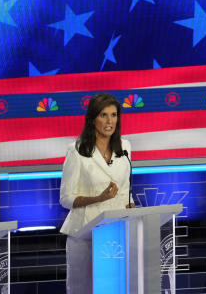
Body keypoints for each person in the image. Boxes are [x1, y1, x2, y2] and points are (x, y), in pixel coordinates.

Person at [59, 93, 135, 293]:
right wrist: (99, 198)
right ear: (92, 119)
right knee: (84, 289)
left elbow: (125, 190)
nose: (110, 121)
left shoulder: (125, 148)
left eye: (114, 115)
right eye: (103, 115)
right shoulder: (77, 150)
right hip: (85, 234)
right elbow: (66, 199)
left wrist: (131, 205)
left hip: (116, 233)